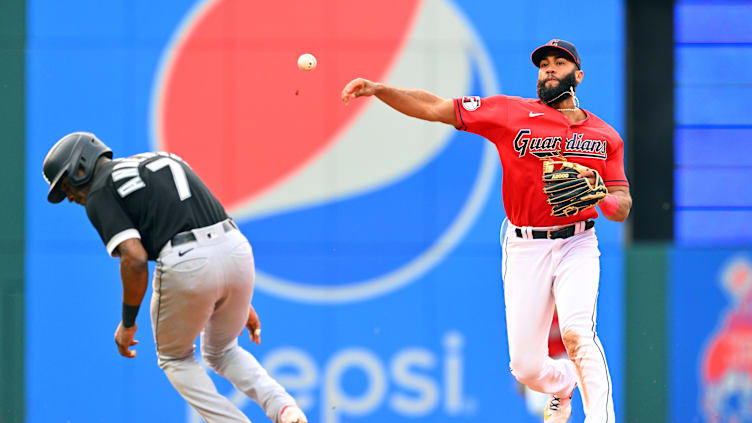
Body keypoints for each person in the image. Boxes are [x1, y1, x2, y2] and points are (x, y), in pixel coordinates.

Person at [341, 39, 632, 422]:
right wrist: (381, 90)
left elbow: (621, 207)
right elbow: (433, 107)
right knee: (526, 368)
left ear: (578, 75)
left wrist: (601, 198)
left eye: (559, 64)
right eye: (543, 64)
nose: (548, 69)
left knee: (578, 333)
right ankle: (563, 384)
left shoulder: (605, 137)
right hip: (525, 245)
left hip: (578, 240)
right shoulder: (510, 113)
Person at [42, 132, 308, 423]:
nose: (68, 196)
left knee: (174, 358)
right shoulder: (157, 159)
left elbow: (135, 258)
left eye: (66, 184)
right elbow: (210, 231)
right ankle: (285, 409)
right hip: (236, 250)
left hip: (186, 259)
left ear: (81, 165)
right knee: (223, 351)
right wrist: (237, 297)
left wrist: (128, 323)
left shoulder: (99, 191)